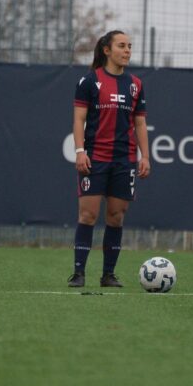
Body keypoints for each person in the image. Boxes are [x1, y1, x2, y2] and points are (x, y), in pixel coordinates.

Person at [68, 30, 151, 288]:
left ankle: (108, 275)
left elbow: (140, 123)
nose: (127, 51)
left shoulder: (135, 84)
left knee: (116, 216)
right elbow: (79, 119)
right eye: (121, 46)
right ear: (107, 50)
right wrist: (80, 151)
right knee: (88, 215)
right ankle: (79, 273)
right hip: (95, 158)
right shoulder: (89, 81)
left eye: (129, 46)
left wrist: (145, 156)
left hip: (124, 160)